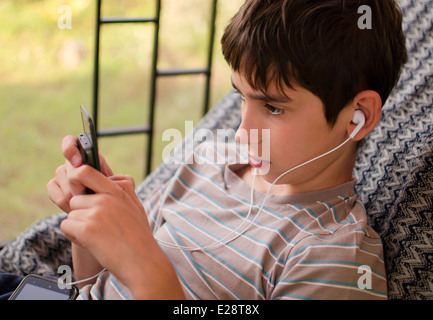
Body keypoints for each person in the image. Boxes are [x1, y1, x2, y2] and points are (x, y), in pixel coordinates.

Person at [46, 0, 407, 300]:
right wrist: (90, 221)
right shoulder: (205, 163)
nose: (241, 132)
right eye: (240, 96)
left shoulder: (333, 256)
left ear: (359, 116)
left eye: (274, 108)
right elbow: (93, 289)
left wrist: (151, 278)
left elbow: (144, 284)